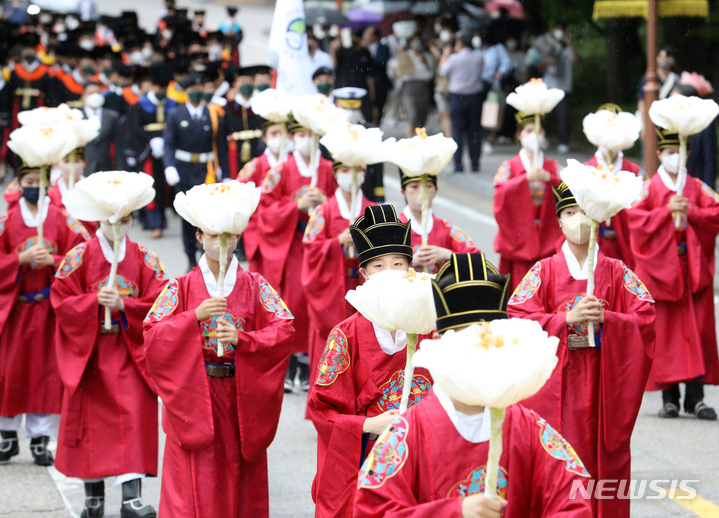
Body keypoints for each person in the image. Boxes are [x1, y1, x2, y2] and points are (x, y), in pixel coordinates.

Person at [354, 253, 593, 518]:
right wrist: (454, 512)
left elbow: (574, 498)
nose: (478, 345)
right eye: (464, 334)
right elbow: (371, 510)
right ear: (438, 340)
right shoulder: (405, 434)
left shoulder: (528, 428)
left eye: (489, 335)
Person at [507, 182, 656, 517]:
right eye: (570, 213)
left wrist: (611, 320)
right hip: (561, 384)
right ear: (559, 222)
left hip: (605, 385)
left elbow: (645, 317)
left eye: (585, 212)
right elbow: (517, 318)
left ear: (598, 219)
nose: (578, 220)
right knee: (560, 459)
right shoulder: (543, 271)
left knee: (600, 459)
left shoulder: (616, 271)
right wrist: (564, 319)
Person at [143, 198, 294, 517]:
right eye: (214, 235)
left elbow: (284, 330)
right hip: (196, 399)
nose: (223, 242)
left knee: (240, 482)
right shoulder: (180, 287)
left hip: (241, 398)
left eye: (230, 235)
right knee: (196, 483)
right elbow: (152, 335)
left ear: (239, 238)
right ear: (199, 237)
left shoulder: (256, 285)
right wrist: (191, 317)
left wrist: (244, 339)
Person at [308, 204, 433, 518]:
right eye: (378, 266)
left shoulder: (431, 329)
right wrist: (366, 424)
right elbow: (323, 410)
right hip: (367, 454)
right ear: (363, 273)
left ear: (411, 270)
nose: (389, 273)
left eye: (398, 263)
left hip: (423, 455)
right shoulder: (344, 336)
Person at [51, 204, 167, 518]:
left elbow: (162, 302)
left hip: (129, 350)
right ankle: (94, 496)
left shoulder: (145, 257)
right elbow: (60, 297)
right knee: (91, 425)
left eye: (126, 219)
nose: (119, 225)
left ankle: (131, 497)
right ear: (100, 218)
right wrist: (92, 302)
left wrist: (125, 305)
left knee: (134, 416)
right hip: (90, 352)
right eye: (112, 219)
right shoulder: (80, 255)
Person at [0, 164, 89, 465]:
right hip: (15, 310)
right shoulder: (7, 220)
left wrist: (55, 260)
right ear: (17, 183)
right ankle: (7, 434)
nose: (33, 187)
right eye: (27, 181)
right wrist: (19, 259)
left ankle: (40, 439)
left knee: (44, 373)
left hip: (49, 311)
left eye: (39, 182)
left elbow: (82, 257)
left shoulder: (62, 220)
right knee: (10, 371)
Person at [628, 128, 719, 421]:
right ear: (658, 155)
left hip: (691, 266)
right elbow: (635, 221)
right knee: (665, 334)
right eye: (668, 153)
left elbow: (715, 212)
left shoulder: (696, 186)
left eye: (678, 152)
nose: (673, 157)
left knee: (698, 332)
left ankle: (696, 398)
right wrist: (664, 211)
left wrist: (690, 211)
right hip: (661, 268)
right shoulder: (648, 188)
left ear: (687, 154)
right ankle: (669, 397)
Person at [259, 115, 336, 391]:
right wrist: (296, 205)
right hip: (291, 243)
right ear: (293, 138)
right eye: (300, 134)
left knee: (320, 301)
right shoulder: (280, 171)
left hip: (321, 246)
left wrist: (326, 204)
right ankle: (291, 359)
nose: (305, 140)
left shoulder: (328, 168)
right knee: (293, 298)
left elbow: (341, 205)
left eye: (310, 135)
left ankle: (310, 361)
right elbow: (265, 209)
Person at [302, 158, 376, 386]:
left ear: (364, 172)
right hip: (334, 289)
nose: (350, 175)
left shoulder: (373, 210)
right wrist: (336, 242)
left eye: (355, 170)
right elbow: (310, 249)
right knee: (333, 345)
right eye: (344, 170)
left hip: (365, 286)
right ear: (335, 174)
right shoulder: (324, 211)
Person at [162, 72, 230, 270]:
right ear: (186, 91)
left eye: (199, 88)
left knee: (208, 217)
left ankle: (205, 255)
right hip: (184, 171)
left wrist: (224, 172)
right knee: (187, 217)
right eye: (192, 89)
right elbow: (169, 143)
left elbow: (221, 146)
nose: (195, 92)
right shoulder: (175, 114)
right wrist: (170, 166)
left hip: (207, 170)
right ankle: (190, 256)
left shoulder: (214, 114)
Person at [493, 112, 563, 292]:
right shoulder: (510, 166)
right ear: (519, 135)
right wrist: (522, 181)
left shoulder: (553, 166)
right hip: (520, 233)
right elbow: (500, 193)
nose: (534, 135)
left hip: (548, 232)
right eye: (528, 130)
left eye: (538, 131)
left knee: (548, 284)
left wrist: (551, 179)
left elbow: (571, 191)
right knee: (520, 286)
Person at [582, 103, 644, 267]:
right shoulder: (586, 170)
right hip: (595, 242)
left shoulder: (634, 172)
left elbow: (641, 212)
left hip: (624, 241)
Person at [120, 66, 178, 238]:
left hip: (166, 150)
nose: (161, 91)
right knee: (151, 185)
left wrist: (165, 141)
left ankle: (162, 218)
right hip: (147, 150)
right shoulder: (139, 106)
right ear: (152, 86)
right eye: (158, 87)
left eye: (164, 88)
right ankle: (153, 222)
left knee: (165, 186)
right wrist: (150, 140)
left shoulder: (173, 105)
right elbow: (134, 128)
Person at [398, 171, 481, 274]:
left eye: (428, 186)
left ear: (435, 191)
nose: (422, 192)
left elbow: (478, 260)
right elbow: (376, 268)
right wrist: (410, 262)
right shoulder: (392, 230)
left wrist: (448, 254)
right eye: (414, 187)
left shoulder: (447, 229)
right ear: (403, 192)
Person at [237, 118, 288, 275]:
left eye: (282, 133)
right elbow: (240, 197)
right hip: (262, 230)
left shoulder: (293, 164)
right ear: (264, 138)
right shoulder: (255, 166)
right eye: (273, 133)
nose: (278, 137)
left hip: (288, 228)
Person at [439, 31, 483, 173]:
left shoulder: (454, 58)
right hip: (475, 97)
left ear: (460, 43)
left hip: (458, 97)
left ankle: (458, 164)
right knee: (474, 131)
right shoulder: (479, 57)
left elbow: (443, 71)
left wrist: (445, 54)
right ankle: (475, 163)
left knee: (457, 130)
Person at [332, 87, 385, 202]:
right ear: (337, 105)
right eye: (346, 107)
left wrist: (379, 192)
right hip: (337, 184)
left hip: (365, 185)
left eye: (354, 107)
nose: (350, 111)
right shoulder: (330, 130)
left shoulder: (370, 130)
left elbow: (378, 164)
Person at [538, 22, 579, 153]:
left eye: (562, 30)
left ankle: (563, 142)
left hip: (564, 88)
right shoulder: (547, 46)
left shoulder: (567, 48)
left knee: (564, 116)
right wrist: (548, 60)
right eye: (557, 30)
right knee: (546, 115)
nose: (559, 32)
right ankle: (544, 138)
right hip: (549, 86)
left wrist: (569, 42)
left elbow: (577, 58)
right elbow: (538, 65)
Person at [675, 79, 718, 190]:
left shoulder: (705, 124)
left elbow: (710, 160)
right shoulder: (673, 123)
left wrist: (708, 189)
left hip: (698, 183)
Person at [389, 34, 435, 138]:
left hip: (423, 88)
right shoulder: (405, 55)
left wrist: (425, 64)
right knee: (412, 115)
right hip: (409, 88)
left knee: (422, 116)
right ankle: (409, 141)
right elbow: (395, 69)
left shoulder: (426, 56)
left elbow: (430, 74)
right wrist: (399, 54)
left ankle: (419, 138)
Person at [225, 66, 263, 178]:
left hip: (258, 150)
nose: (246, 84)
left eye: (249, 81)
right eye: (242, 81)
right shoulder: (227, 108)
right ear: (235, 84)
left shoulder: (261, 107)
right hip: (234, 153)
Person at [331, 28, 375, 123]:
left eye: (356, 38)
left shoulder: (365, 53)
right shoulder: (342, 51)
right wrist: (333, 50)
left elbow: (369, 75)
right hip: (343, 89)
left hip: (361, 90)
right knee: (341, 118)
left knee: (364, 118)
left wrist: (372, 92)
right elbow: (333, 66)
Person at [637, 45, 679, 132]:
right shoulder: (647, 80)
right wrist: (644, 125)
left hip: (670, 125)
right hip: (651, 122)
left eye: (667, 56)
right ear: (656, 58)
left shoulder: (677, 80)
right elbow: (642, 103)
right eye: (661, 56)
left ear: (673, 60)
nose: (664, 59)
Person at [82, 82, 120, 175]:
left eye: (97, 92)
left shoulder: (112, 116)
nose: (94, 96)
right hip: (83, 168)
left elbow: (119, 144)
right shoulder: (76, 116)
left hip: (106, 167)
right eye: (90, 93)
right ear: (83, 95)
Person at [363, 26, 391, 125]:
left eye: (368, 35)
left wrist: (368, 59)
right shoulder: (363, 48)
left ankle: (376, 125)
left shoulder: (384, 48)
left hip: (380, 82)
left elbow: (382, 62)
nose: (366, 37)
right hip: (367, 83)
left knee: (379, 107)